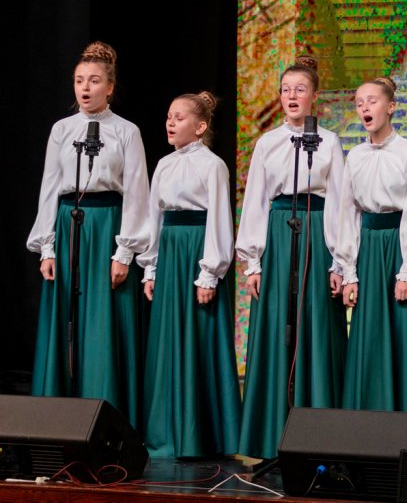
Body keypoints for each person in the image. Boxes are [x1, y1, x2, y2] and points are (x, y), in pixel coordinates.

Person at [27, 41, 150, 426]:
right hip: (69, 225)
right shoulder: (62, 129)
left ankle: (105, 418)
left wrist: (125, 252)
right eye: (79, 80)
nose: (85, 87)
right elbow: (50, 186)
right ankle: (58, 417)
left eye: (94, 81)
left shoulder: (126, 131)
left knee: (103, 323)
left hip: (108, 225)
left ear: (109, 87)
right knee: (66, 318)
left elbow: (137, 192)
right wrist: (47, 247)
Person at [235, 56, 347, 460]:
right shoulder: (267, 142)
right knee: (277, 328)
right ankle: (272, 433)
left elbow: (340, 203)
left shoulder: (330, 141)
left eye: (300, 89)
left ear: (315, 97)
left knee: (316, 327)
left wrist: (340, 262)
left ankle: (319, 434)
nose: (292, 96)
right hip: (280, 234)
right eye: (286, 90)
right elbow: (255, 201)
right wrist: (253, 261)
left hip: (317, 232)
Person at [137, 92, 240, 458]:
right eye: (169, 116)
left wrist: (209, 273)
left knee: (199, 339)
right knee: (169, 340)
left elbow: (220, 219)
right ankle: (166, 434)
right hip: (170, 252)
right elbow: (154, 217)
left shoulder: (213, 166)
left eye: (179, 117)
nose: (170, 122)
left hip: (197, 251)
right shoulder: (164, 165)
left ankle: (204, 435)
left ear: (200, 126)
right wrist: (151, 267)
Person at [338, 77, 407, 413]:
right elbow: (348, 213)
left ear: (391, 106)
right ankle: (371, 420)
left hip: (400, 247)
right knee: (371, 336)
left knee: (406, 335)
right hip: (369, 251)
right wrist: (349, 271)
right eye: (359, 103)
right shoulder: (354, 156)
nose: (365, 108)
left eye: (372, 101)